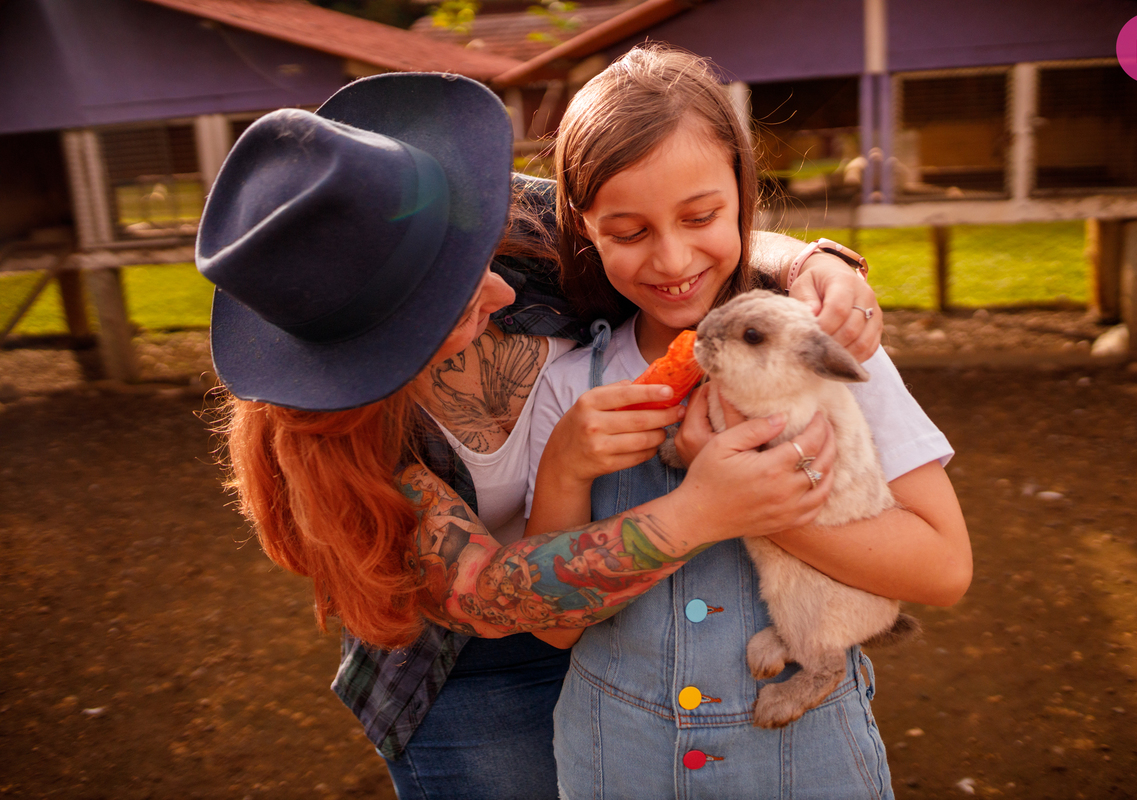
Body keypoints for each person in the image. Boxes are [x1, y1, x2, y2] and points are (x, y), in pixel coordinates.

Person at [199, 71, 886, 800]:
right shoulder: (340, 450)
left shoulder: (509, 215)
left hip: (633, 635)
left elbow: (661, 216)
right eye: (456, 305)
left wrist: (809, 260)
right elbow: (495, 595)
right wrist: (697, 511)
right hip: (476, 671)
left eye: (480, 263)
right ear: (374, 349)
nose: (499, 290)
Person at [524, 45, 972, 799]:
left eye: (701, 216)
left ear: (742, 195)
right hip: (615, 761)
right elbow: (552, 625)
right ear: (585, 229)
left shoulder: (829, 350)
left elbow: (944, 570)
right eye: (628, 232)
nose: (672, 258)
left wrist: (758, 512)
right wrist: (565, 467)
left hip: (806, 761)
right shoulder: (568, 385)